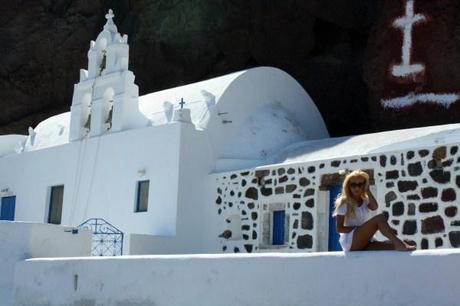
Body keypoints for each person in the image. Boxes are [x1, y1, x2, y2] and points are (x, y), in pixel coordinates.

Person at [333, 170, 416, 251]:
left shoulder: (365, 200)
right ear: (348, 186)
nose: (356, 187)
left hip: (365, 240)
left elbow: (374, 207)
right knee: (379, 218)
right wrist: (359, 229)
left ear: (364, 185)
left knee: (397, 246)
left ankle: (400, 244)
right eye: (353, 185)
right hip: (350, 241)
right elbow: (340, 228)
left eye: (360, 184)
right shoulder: (344, 203)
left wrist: (368, 191)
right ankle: (399, 243)